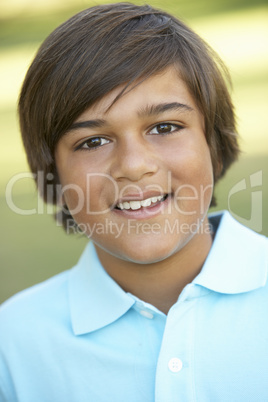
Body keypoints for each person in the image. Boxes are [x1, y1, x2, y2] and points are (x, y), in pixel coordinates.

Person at [0, 3, 267, 401]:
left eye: (164, 127)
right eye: (93, 141)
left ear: (213, 141)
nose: (134, 166)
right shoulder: (14, 343)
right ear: (53, 172)